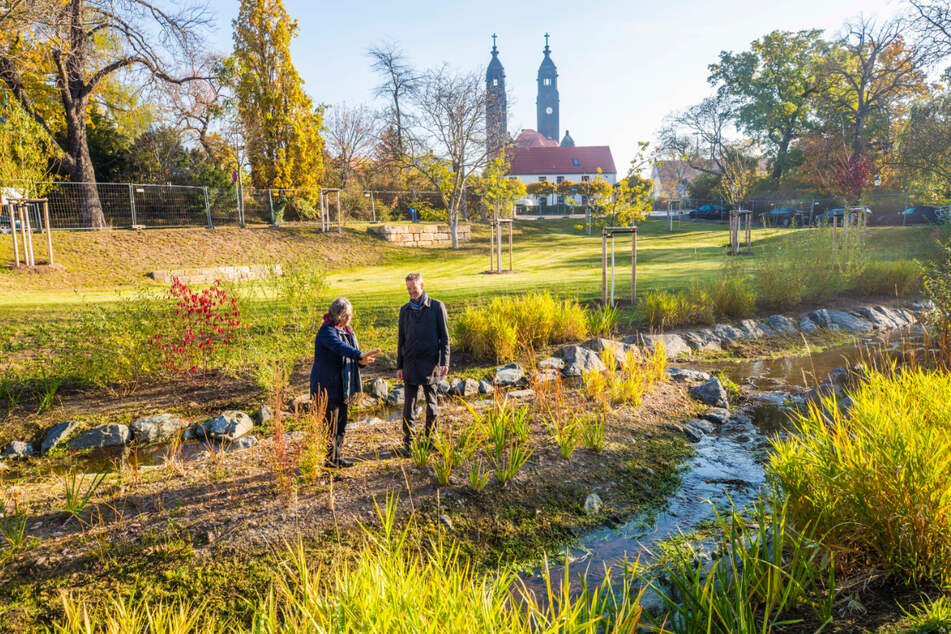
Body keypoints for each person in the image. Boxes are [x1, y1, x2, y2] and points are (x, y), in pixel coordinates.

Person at [310, 297, 380, 468]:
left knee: (341, 424)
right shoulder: (327, 331)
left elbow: (351, 358)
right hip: (326, 386)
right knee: (330, 427)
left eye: (350, 315)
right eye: (345, 316)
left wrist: (361, 362)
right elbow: (341, 348)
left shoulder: (348, 331)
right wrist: (359, 355)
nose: (349, 319)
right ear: (337, 315)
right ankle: (328, 463)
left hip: (344, 385)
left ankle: (337, 458)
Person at [397, 272, 450, 451]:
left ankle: (430, 440)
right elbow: (401, 340)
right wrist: (399, 365)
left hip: (431, 364)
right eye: (409, 289)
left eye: (414, 288)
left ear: (422, 286)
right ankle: (409, 443)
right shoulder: (404, 310)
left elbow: (445, 337)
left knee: (432, 405)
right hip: (410, 363)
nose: (411, 292)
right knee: (408, 406)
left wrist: (445, 361)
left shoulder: (436, 307)